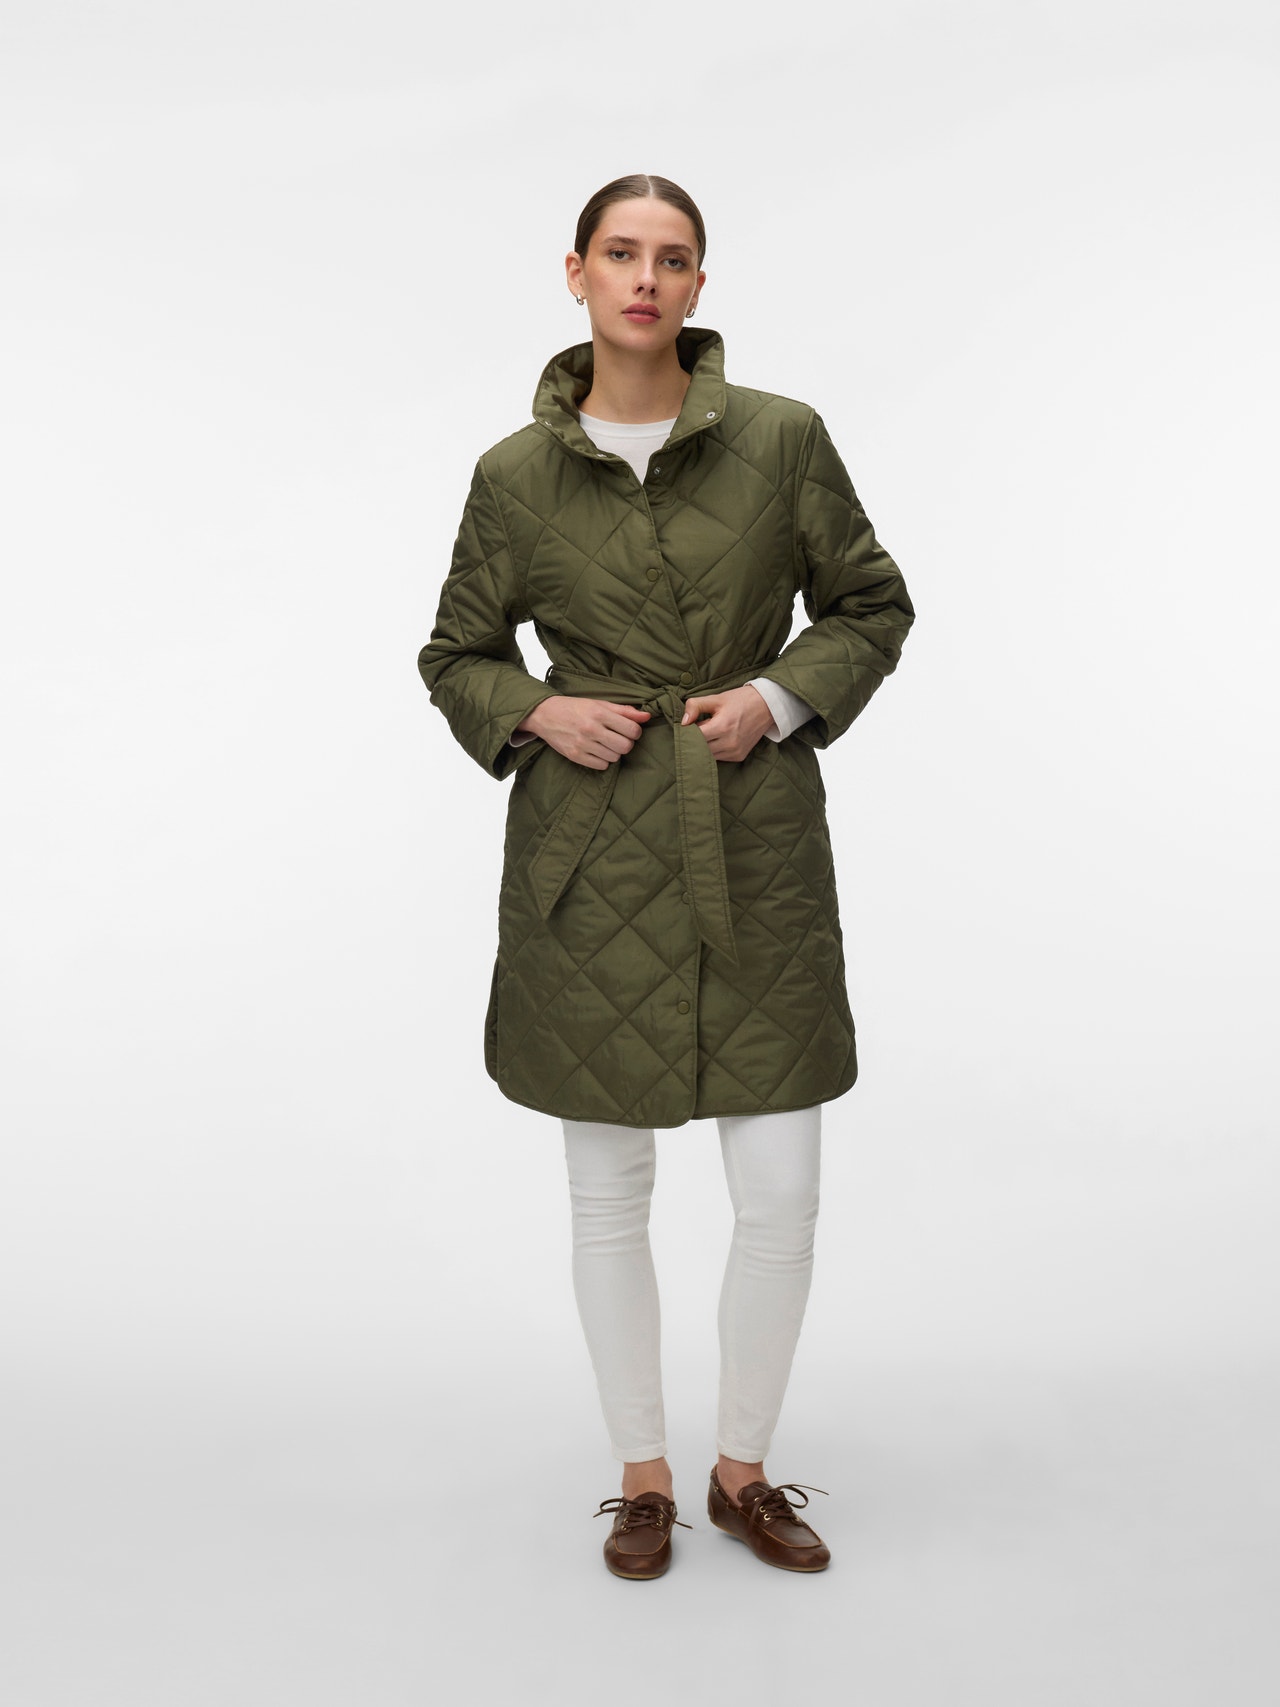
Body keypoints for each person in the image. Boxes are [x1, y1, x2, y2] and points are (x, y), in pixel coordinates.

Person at [418, 173, 914, 1579]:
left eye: (674, 258)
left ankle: (743, 1471)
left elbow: (870, 603)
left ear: (701, 284)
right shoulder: (514, 474)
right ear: (575, 271)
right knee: (608, 1192)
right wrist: (536, 711)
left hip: (754, 837)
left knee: (781, 1191)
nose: (647, 279)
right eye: (622, 253)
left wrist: (777, 697)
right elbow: (455, 653)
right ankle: (641, 1476)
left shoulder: (780, 437)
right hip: (589, 853)